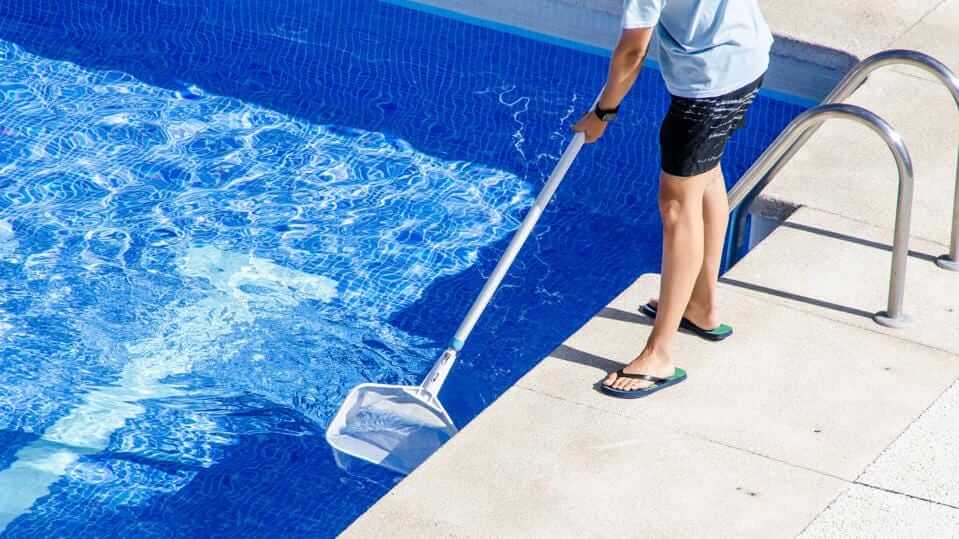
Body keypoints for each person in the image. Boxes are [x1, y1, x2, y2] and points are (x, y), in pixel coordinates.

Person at [573, 0, 773, 398]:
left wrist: (603, 112)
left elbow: (633, 50)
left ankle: (659, 354)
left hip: (709, 86)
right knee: (706, 177)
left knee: (676, 206)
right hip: (746, 59)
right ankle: (702, 305)